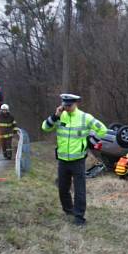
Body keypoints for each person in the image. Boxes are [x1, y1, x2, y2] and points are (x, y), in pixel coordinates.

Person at [41, 93, 108, 226]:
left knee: (79, 190)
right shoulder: (59, 117)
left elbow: (103, 130)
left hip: (78, 160)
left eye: (69, 105)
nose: (66, 107)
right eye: (64, 105)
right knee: (62, 188)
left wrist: (90, 141)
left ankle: (79, 217)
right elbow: (45, 127)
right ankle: (68, 210)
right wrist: (55, 116)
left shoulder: (85, 117)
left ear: (75, 104)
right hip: (62, 160)